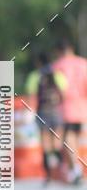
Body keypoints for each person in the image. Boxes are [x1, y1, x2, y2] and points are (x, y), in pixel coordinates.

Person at [25, 52, 67, 183]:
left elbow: (31, 97)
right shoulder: (58, 75)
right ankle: (61, 171)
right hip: (56, 112)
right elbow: (64, 93)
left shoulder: (35, 76)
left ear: (39, 62)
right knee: (57, 143)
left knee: (45, 145)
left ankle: (48, 175)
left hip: (43, 113)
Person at [53, 38, 87, 184]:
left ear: (59, 52)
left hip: (65, 108)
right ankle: (72, 168)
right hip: (81, 106)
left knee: (67, 137)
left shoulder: (57, 66)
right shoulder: (83, 63)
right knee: (73, 136)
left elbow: (57, 89)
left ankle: (75, 168)